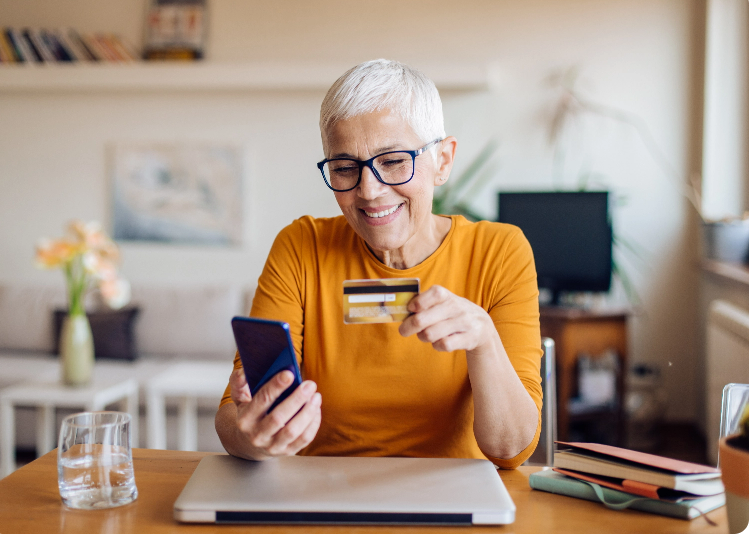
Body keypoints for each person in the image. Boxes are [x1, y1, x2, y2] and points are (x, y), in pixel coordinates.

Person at [216, 59, 542, 469]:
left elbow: (510, 450)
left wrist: (483, 341)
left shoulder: (499, 252)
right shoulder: (301, 247)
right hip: (323, 492)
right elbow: (232, 416)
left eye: (392, 162)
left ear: (443, 160)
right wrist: (258, 438)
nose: (369, 191)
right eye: (344, 167)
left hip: (452, 495)